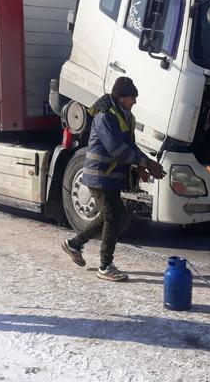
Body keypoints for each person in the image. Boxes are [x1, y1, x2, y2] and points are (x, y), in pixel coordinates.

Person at [61, 77, 166, 281]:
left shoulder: (126, 116)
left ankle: (74, 244)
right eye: (132, 97)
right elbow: (116, 149)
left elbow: (131, 146)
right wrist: (145, 164)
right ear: (121, 98)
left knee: (110, 215)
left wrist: (143, 164)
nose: (135, 101)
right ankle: (105, 266)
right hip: (99, 176)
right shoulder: (105, 117)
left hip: (109, 176)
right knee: (112, 216)